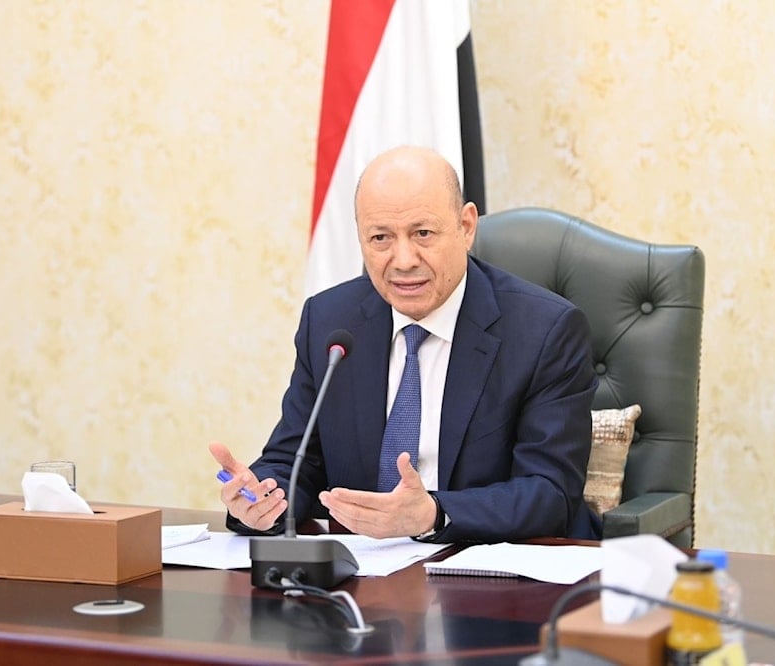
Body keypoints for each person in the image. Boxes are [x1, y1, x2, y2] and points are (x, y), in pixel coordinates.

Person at [209, 145, 601, 542]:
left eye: (422, 233)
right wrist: (262, 501)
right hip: (364, 567)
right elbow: (295, 460)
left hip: (487, 564)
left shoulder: (544, 331)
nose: (403, 260)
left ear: (466, 226)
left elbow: (550, 492)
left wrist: (434, 514)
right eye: (380, 237)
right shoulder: (330, 323)